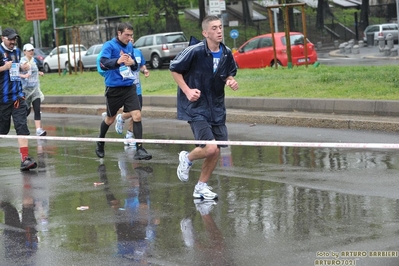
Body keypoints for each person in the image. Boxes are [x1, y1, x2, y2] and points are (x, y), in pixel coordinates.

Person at [169, 15, 239, 200]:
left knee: (216, 149)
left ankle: (201, 187)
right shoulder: (195, 51)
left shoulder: (226, 53)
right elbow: (174, 68)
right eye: (214, 28)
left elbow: (228, 73)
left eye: (220, 27)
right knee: (210, 147)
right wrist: (187, 90)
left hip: (216, 108)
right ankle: (187, 158)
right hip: (196, 107)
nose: (219, 31)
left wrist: (230, 80)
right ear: (205, 33)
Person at [96, 22, 151, 160]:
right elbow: (102, 62)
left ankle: (140, 149)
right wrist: (117, 61)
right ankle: (100, 143)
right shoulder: (109, 45)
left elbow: (134, 66)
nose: (130, 38)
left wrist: (133, 64)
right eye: (127, 35)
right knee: (109, 119)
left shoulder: (130, 46)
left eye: (131, 35)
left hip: (129, 87)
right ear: (119, 33)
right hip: (114, 88)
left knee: (137, 115)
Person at [0, 27, 37, 171]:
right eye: (10, 39)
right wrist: (3, 68)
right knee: (2, 131)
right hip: (1, 99)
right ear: (2, 38)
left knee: (21, 126)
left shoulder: (16, 52)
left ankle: (25, 159)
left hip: (17, 97)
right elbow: (6, 68)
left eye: (14, 39)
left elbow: (15, 69)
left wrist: (22, 67)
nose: (13, 42)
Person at [112, 37, 150, 147]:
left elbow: (141, 65)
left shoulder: (138, 52)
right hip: (125, 88)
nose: (130, 41)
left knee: (137, 114)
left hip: (137, 88)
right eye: (128, 39)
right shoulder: (119, 52)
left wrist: (145, 70)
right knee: (134, 113)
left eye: (132, 39)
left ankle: (128, 136)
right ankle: (122, 117)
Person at [20, 43, 46, 137]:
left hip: (35, 89)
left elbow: (33, 70)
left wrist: (39, 72)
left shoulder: (34, 61)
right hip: (25, 90)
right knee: (26, 111)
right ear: (24, 52)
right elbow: (16, 73)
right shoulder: (22, 61)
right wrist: (23, 75)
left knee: (37, 108)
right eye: (29, 50)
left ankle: (38, 129)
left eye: (32, 50)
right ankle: (21, 125)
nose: (31, 52)